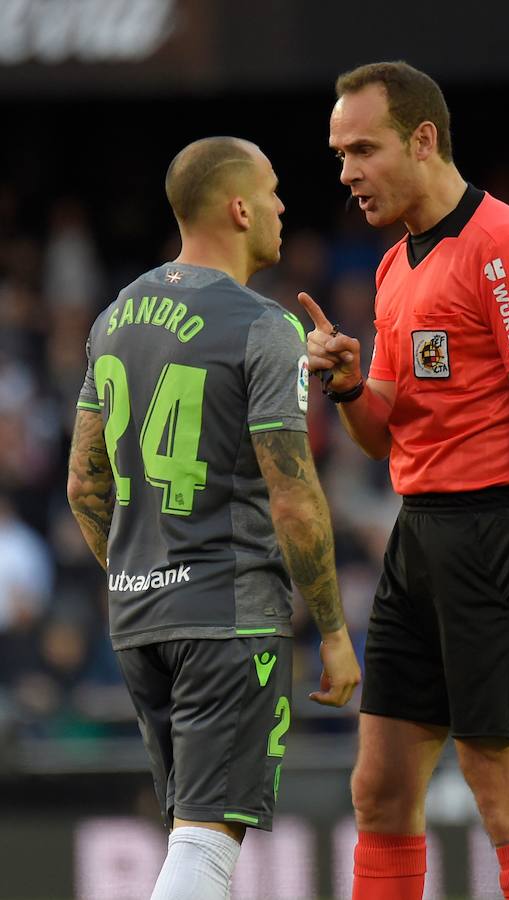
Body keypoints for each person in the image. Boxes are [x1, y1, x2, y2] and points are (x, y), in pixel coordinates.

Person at [301, 61, 509, 900]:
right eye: (338, 153)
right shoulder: (397, 266)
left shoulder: (508, 248)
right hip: (418, 537)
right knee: (380, 789)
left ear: (423, 139)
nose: (347, 171)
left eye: (363, 148)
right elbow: (381, 436)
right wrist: (352, 382)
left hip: (499, 540)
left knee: (503, 790)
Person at [67, 136, 361, 900]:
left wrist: (142, 573)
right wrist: (331, 630)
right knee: (206, 845)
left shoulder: (112, 318)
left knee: (189, 836)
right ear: (236, 208)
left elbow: (82, 484)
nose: (281, 206)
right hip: (227, 617)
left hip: (139, 618)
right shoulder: (263, 326)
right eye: (270, 191)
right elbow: (293, 496)